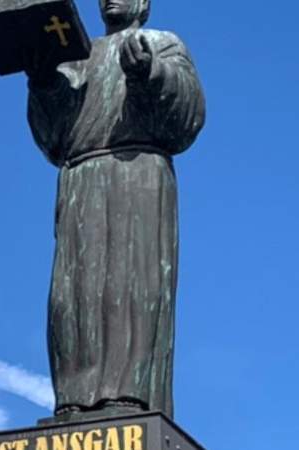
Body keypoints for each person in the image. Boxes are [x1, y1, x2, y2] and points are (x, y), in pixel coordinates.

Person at [26, 0, 206, 421]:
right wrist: (44, 84)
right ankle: (73, 396)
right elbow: (52, 137)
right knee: (72, 295)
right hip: (81, 178)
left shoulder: (163, 43)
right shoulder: (76, 58)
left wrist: (150, 73)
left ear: (144, 2)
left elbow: (188, 119)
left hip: (139, 173)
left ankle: (127, 394)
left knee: (131, 285)